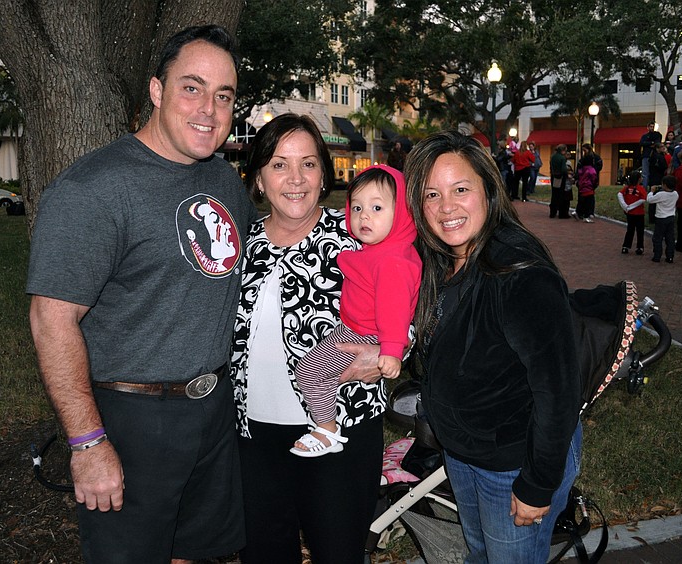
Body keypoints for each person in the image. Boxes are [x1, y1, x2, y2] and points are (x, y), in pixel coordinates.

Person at [26, 25, 258, 563]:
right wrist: (86, 442)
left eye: (224, 95)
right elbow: (50, 320)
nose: (209, 109)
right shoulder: (93, 189)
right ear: (156, 91)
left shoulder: (223, 179)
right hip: (131, 419)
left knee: (196, 553)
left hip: (213, 411)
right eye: (192, 87)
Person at [404, 130, 582, 563]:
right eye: (431, 194)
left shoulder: (519, 272)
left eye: (460, 189)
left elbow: (558, 392)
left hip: (513, 462)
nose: (447, 207)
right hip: (464, 452)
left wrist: (537, 483)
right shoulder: (441, 259)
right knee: (480, 553)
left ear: (488, 188)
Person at [230, 113, 388, 563]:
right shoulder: (242, 244)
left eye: (308, 164)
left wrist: (384, 352)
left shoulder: (357, 232)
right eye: (279, 165)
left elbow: (407, 304)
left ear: (325, 174)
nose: (295, 178)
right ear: (259, 178)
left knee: (338, 553)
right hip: (252, 437)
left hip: (339, 434)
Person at [292, 165, 421, 457]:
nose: (364, 216)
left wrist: (390, 350)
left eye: (377, 207)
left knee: (310, 372)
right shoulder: (381, 250)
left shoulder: (392, 261)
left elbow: (395, 310)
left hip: (363, 334)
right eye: (358, 207)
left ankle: (327, 429)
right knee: (316, 372)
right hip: (354, 327)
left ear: (401, 212)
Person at [647, 175, 679, 263]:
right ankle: (670, 256)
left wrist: (651, 192)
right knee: (670, 238)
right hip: (671, 217)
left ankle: (657, 256)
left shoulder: (661, 194)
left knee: (658, 238)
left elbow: (650, 200)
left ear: (664, 185)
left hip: (661, 218)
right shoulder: (675, 194)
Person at [617, 170, 648, 255]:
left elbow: (619, 194)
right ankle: (640, 247)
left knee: (630, 230)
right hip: (639, 213)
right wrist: (630, 207)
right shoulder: (640, 189)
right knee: (640, 231)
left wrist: (626, 206)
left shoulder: (627, 188)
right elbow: (643, 199)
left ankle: (626, 246)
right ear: (638, 179)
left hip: (630, 213)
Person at [574, 144, 598, 222]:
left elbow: (578, 174)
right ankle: (587, 216)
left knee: (581, 201)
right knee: (589, 202)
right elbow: (594, 179)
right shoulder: (592, 170)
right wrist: (594, 185)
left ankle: (578, 212)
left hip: (582, 186)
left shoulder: (582, 169)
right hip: (589, 187)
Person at [647, 142, 669, 223]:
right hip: (658, 178)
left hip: (653, 178)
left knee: (653, 197)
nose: (663, 148)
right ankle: (654, 217)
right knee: (656, 197)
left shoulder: (653, 156)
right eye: (661, 147)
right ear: (657, 148)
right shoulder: (659, 157)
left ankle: (652, 217)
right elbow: (663, 167)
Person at [549, 144, 571, 219]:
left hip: (554, 176)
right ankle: (562, 214)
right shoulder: (562, 158)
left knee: (554, 194)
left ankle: (552, 212)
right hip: (561, 177)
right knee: (561, 195)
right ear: (563, 150)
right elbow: (563, 169)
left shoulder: (553, 157)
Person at [640, 121, 662, 188]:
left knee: (653, 173)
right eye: (650, 126)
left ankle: (652, 187)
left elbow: (657, 143)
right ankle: (644, 188)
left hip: (654, 156)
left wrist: (649, 143)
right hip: (646, 155)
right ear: (648, 127)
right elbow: (641, 143)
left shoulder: (657, 135)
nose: (652, 128)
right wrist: (651, 143)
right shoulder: (644, 136)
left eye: (653, 127)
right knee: (645, 173)